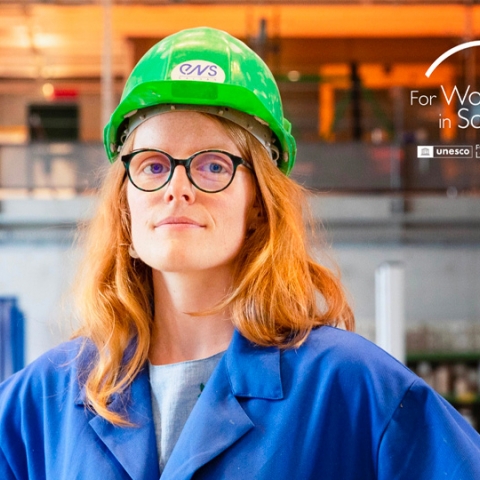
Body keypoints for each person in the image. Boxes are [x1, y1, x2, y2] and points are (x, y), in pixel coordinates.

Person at [1, 27, 479, 480]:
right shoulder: (40, 404)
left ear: (258, 204)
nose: (177, 188)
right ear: (124, 202)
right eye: (153, 165)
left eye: (213, 166)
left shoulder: (355, 391)